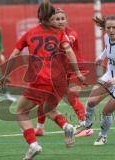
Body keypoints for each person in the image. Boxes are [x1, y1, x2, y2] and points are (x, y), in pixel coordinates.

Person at [5, 1, 85, 159]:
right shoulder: (59, 33)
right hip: (59, 81)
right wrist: (78, 72)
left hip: (39, 80)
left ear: (39, 16)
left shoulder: (30, 33)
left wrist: (6, 74)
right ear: (51, 17)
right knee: (47, 109)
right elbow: (69, 52)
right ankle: (67, 126)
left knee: (21, 112)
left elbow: (14, 55)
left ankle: (33, 145)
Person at [75, 15, 115, 145]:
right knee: (91, 101)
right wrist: (101, 57)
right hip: (110, 76)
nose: (110, 30)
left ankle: (103, 136)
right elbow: (108, 48)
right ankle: (87, 124)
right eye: (108, 27)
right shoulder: (107, 37)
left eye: (114, 27)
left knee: (106, 111)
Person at [34, 8, 93, 138]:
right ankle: (39, 128)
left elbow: (67, 44)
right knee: (45, 100)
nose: (60, 21)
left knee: (71, 95)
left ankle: (85, 125)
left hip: (76, 69)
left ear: (67, 20)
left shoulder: (70, 33)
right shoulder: (51, 34)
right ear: (52, 21)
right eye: (57, 19)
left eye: (62, 19)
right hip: (61, 72)